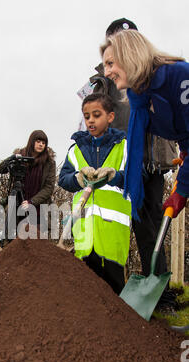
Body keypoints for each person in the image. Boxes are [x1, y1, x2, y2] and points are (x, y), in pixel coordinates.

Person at [88, 18, 178, 314]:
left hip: (148, 159)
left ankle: (160, 290)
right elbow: (91, 118)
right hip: (118, 162)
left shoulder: (156, 78)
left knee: (151, 220)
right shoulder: (100, 82)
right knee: (120, 224)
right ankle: (107, 286)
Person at [59, 93, 131, 295]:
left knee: (113, 286)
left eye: (96, 115)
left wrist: (114, 176)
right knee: (86, 290)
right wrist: (78, 178)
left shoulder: (124, 146)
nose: (90, 120)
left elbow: (135, 178)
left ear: (110, 117)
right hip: (83, 230)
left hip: (112, 230)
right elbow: (63, 179)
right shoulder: (76, 149)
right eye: (87, 116)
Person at [0, 130, 56, 240]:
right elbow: (0, 169)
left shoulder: (49, 163)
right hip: (17, 203)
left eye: (43, 143)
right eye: (38, 141)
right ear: (32, 142)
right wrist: (12, 158)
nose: (41, 144)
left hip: (38, 207)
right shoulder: (19, 157)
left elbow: (49, 187)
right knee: (13, 240)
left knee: (36, 241)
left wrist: (32, 202)